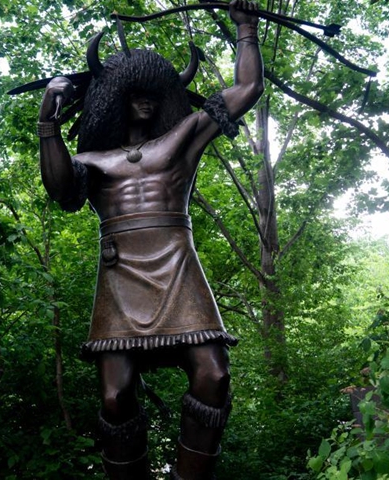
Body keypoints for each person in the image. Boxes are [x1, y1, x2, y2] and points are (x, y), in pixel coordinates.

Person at [36, 1, 263, 478]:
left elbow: (246, 89)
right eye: (133, 91)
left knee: (214, 375)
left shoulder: (182, 138)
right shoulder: (93, 161)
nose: (144, 99)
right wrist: (48, 125)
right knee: (115, 396)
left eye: (152, 92)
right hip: (120, 272)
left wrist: (245, 26)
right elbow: (61, 190)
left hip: (178, 263)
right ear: (111, 97)